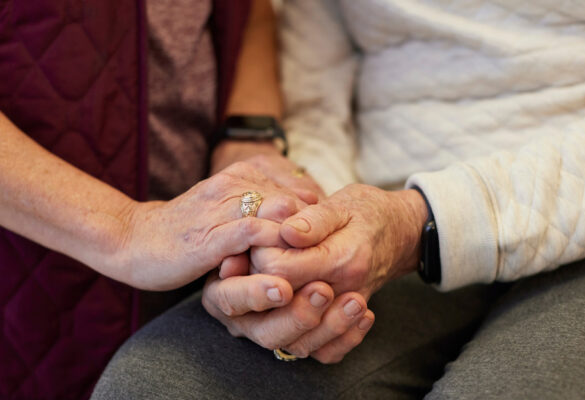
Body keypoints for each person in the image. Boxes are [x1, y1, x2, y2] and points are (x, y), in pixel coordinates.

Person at [92, 0, 585, 399]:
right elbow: (316, 94)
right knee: (155, 384)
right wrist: (305, 233)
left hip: (578, 196)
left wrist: (416, 223)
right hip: (388, 199)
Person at [0, 0, 371, 398]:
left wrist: (245, 138)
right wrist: (125, 229)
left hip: (191, 246)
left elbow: (250, 14)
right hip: (40, 262)